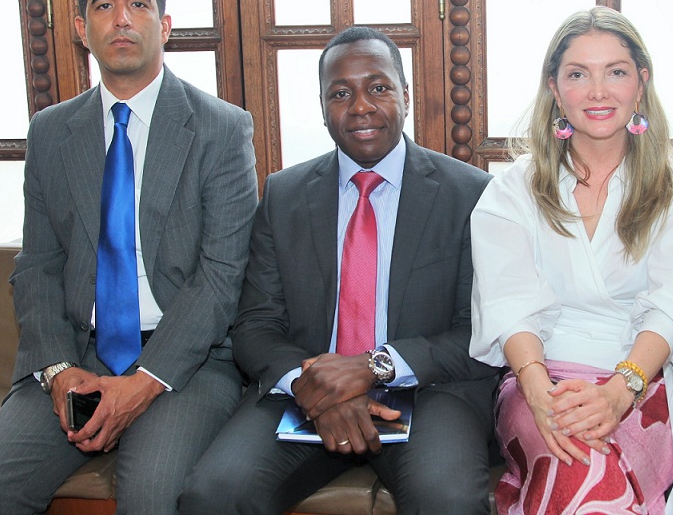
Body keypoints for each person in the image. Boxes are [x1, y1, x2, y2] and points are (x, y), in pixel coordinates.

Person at [0, 0, 258, 515]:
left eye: (138, 4)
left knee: (154, 497)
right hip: (77, 354)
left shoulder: (221, 129)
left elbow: (221, 279)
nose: (122, 19)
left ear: (164, 25)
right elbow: (38, 267)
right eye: (104, 5)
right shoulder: (51, 133)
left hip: (187, 363)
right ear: (82, 28)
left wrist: (145, 381)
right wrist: (56, 371)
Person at [179, 26, 498, 515]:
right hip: (303, 389)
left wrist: (372, 368)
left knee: (450, 501)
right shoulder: (284, 196)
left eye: (379, 87)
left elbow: (482, 333)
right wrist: (320, 390)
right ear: (324, 106)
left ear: (405, 96)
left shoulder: (470, 194)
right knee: (213, 495)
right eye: (341, 93)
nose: (361, 106)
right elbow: (256, 326)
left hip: (430, 392)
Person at [469, 6, 673, 514]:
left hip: (643, 381)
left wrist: (619, 391)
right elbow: (509, 303)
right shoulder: (511, 190)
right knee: (574, 465)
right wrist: (539, 390)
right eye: (578, 74)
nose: (598, 91)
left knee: (589, 478)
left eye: (616, 72)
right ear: (555, 89)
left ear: (641, 83)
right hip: (540, 377)